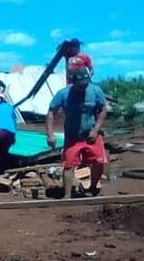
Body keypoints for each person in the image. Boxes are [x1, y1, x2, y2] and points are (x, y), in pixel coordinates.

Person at [46, 67, 108, 198]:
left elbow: (103, 109)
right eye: (80, 85)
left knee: (98, 162)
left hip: (91, 134)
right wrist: (50, 134)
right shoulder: (63, 94)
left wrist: (96, 130)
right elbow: (51, 112)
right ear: (73, 83)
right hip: (73, 136)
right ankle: (67, 195)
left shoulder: (95, 91)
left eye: (85, 84)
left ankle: (93, 187)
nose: (82, 88)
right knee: (68, 165)